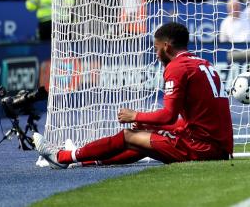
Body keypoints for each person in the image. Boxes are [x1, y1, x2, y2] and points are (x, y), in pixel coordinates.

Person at [34, 22, 233, 167]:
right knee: (143, 140)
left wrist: (135, 116)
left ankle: (63, 157)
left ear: (167, 47)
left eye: (156, 49)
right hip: (218, 146)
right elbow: (186, 120)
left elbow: (168, 115)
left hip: (201, 148)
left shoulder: (177, 67)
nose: (156, 55)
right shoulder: (203, 64)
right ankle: (81, 160)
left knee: (129, 135)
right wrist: (150, 124)